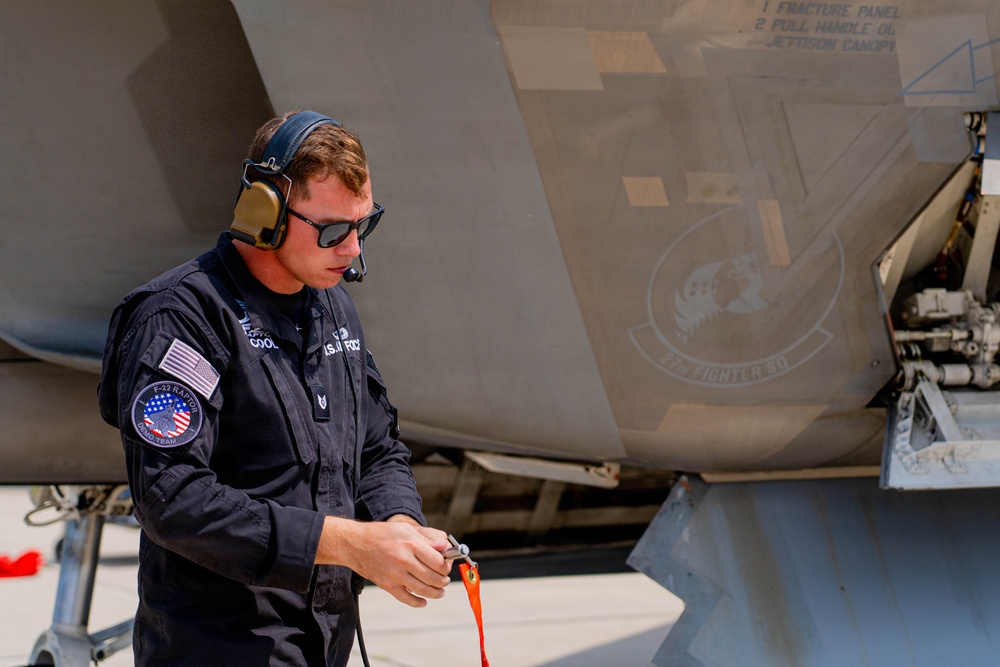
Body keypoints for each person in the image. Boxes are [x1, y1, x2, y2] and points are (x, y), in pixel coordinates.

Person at [98, 110, 452, 666]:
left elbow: (376, 448)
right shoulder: (182, 319)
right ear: (265, 214)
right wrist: (349, 544)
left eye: (363, 225)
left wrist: (399, 524)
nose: (352, 250)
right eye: (332, 231)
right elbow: (172, 497)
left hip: (321, 645)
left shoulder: (333, 307)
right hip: (219, 649)